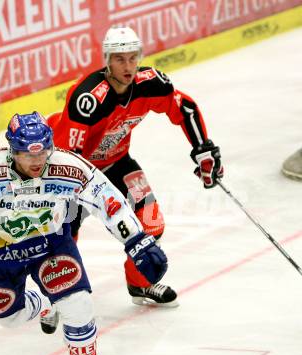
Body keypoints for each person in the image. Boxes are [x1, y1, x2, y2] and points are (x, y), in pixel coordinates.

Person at [0, 111, 170, 355]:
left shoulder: (68, 166)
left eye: (43, 151)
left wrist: (136, 241)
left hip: (50, 246)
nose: (37, 160)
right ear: (12, 150)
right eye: (27, 154)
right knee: (5, 315)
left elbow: (108, 200)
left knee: (78, 302)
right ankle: (44, 305)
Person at [49, 26, 224, 306]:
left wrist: (203, 149)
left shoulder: (150, 83)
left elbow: (183, 107)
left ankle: (141, 283)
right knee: (64, 232)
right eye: (119, 59)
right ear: (107, 60)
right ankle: (57, 293)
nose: (128, 66)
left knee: (152, 221)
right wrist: (76, 195)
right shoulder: (88, 99)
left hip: (117, 162)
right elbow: (68, 154)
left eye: (133, 58)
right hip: (74, 171)